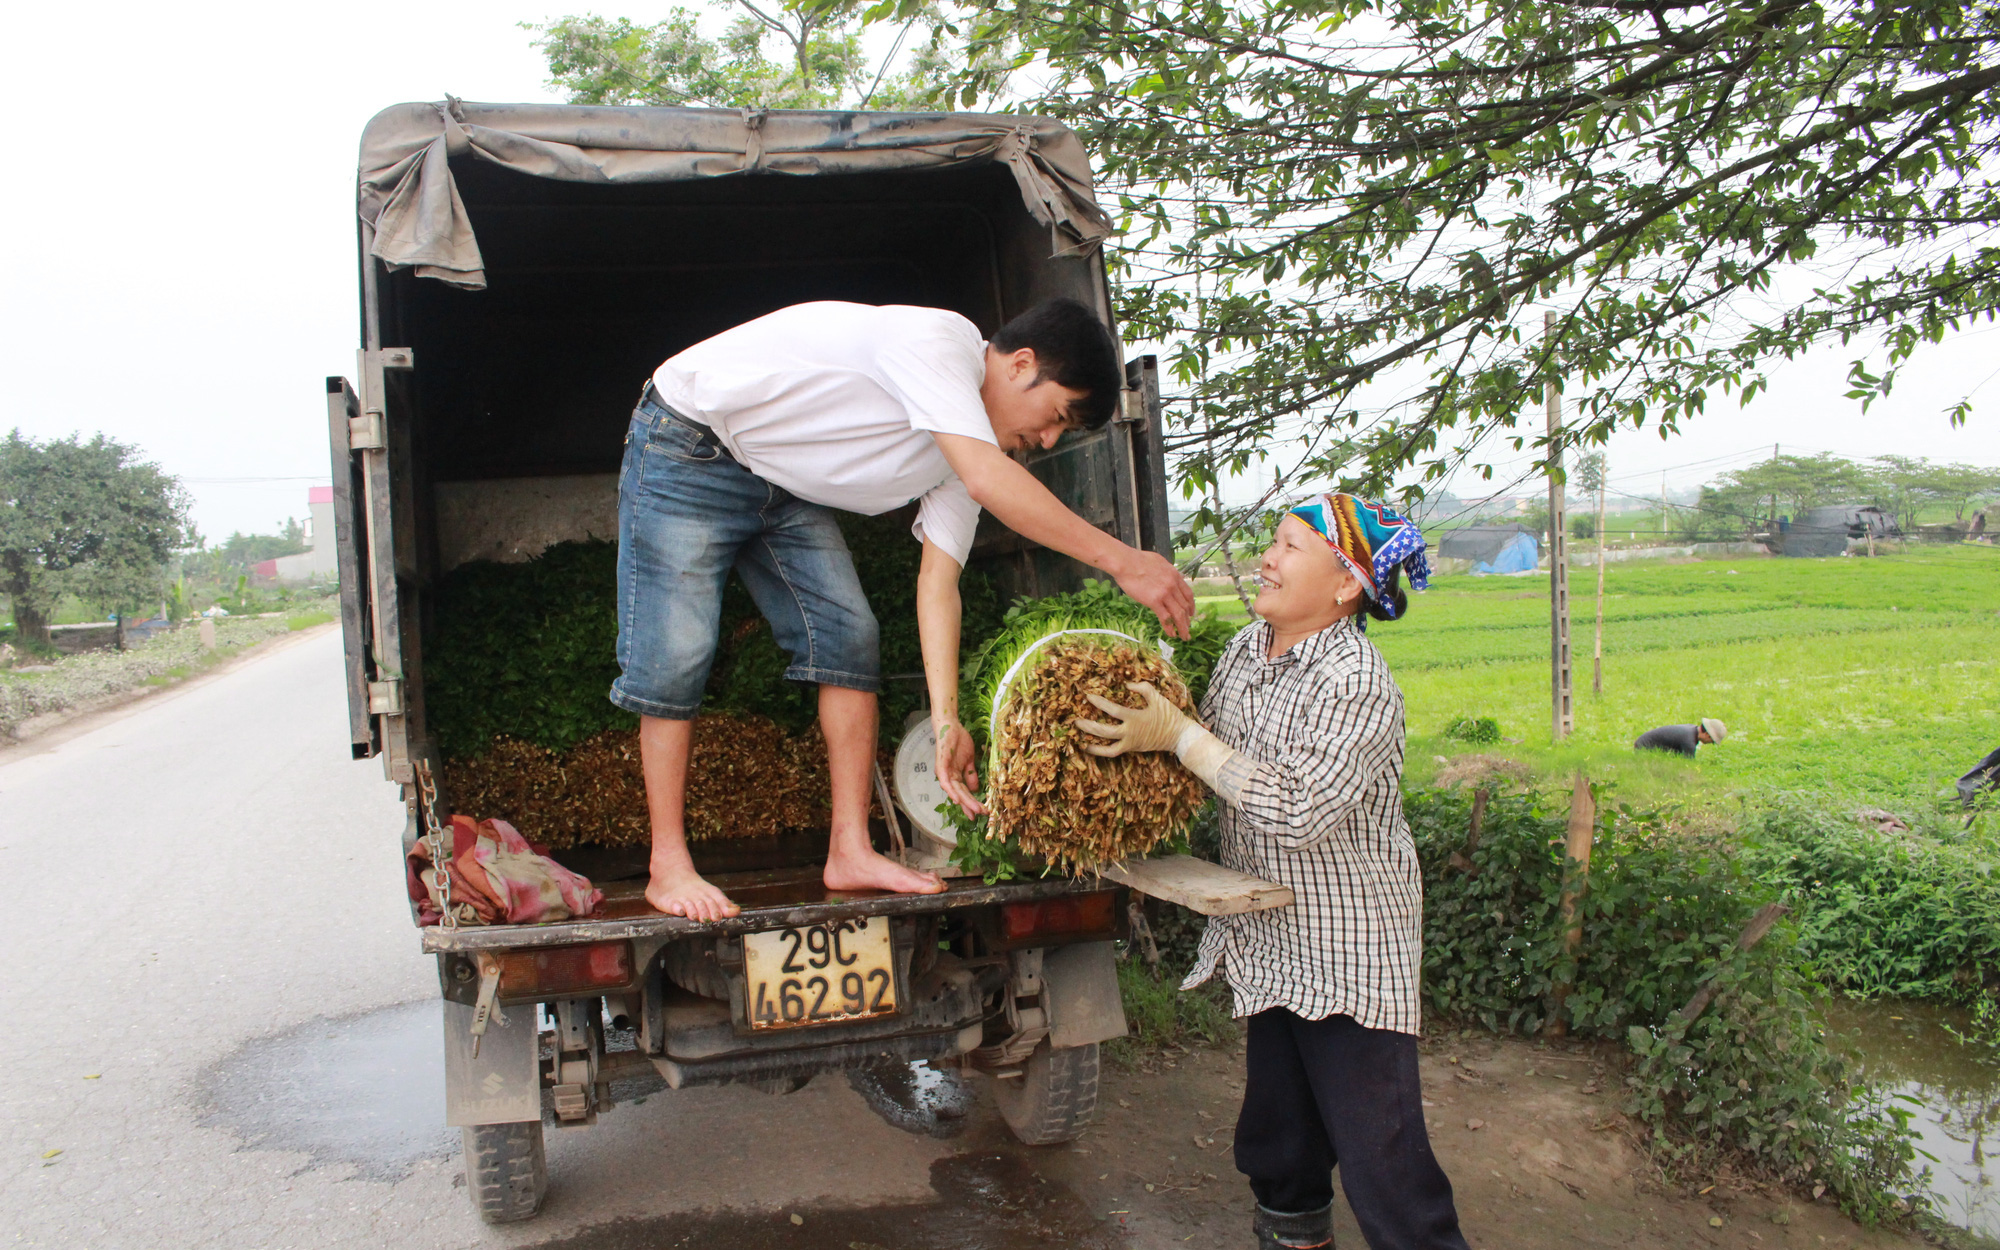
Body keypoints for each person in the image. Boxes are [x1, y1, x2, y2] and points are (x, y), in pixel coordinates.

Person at [612, 298, 1194, 920]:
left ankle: (850, 850)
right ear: (1021, 364)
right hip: (689, 444)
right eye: (1055, 417)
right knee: (678, 653)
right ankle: (668, 865)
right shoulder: (940, 343)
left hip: (778, 482)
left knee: (849, 634)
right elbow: (989, 482)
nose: (1048, 440)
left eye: (1062, 435)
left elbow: (938, 585)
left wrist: (947, 724)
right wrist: (1125, 561)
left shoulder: (961, 453)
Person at [1076, 493, 1468, 1250]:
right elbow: (1208, 761)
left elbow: (1292, 810)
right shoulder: (1248, 652)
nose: (1268, 557)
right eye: (1274, 542)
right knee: (1280, 1147)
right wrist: (1139, 732)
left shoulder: (1356, 682)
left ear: (1346, 583)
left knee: (1384, 1166)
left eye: (1290, 546)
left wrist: (1181, 735)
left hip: (1348, 952)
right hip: (1270, 939)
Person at [1633, 718, 1727, 757]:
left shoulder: (1691, 730)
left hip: (1642, 743)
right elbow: (1688, 766)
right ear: (1707, 735)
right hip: (1644, 749)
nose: (1710, 743)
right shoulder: (1688, 741)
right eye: (1711, 741)